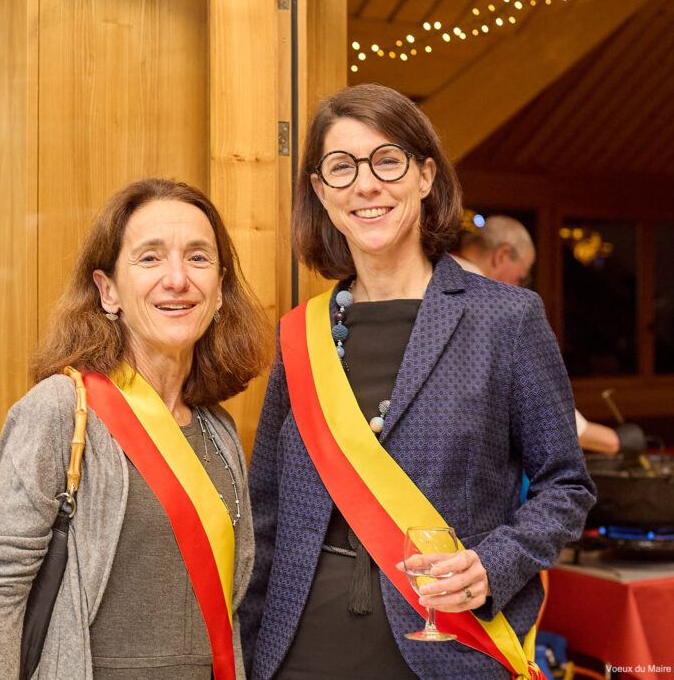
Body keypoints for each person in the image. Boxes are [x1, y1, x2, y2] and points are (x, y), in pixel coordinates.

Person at [240, 83, 595, 680]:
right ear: (321, 192)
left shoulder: (505, 319)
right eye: (341, 167)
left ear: (426, 177)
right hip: (299, 650)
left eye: (387, 160)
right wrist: (248, 654)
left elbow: (566, 485)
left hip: (449, 645)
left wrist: (494, 564)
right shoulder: (299, 335)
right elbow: (266, 514)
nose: (365, 184)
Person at [0, 178, 272, 679]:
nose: (177, 278)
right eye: (150, 258)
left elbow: (231, 605)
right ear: (108, 291)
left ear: (219, 290)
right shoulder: (61, 410)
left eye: (197, 258)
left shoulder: (219, 429)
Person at [451, 215, 643, 455]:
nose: (518, 287)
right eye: (521, 277)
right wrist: (614, 441)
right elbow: (536, 399)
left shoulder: (433, 275)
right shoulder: (483, 297)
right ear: (502, 255)